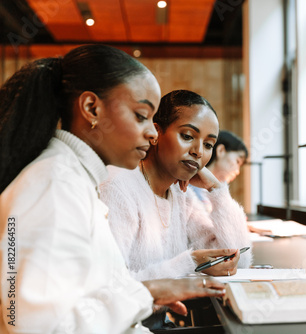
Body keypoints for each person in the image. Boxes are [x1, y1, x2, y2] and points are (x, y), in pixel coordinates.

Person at [0, 45, 225, 334]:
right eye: (141, 115)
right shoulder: (55, 186)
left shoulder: (75, 180)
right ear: (92, 108)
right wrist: (149, 292)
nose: (153, 133)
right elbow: (38, 327)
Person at [100, 90, 252, 281]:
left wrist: (216, 188)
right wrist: (190, 262)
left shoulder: (180, 194)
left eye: (208, 145)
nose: (198, 152)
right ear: (155, 133)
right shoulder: (118, 187)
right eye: (188, 136)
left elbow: (239, 259)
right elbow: (110, 283)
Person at [191, 130, 248, 213]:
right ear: (221, 150)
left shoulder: (214, 191)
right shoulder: (189, 186)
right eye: (237, 161)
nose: (238, 171)